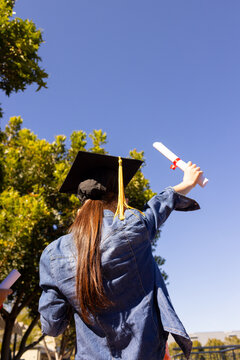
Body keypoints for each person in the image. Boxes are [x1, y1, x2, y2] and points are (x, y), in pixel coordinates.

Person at [39, 151, 202, 360]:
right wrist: (187, 181)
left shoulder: (53, 254)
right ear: (120, 198)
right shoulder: (134, 226)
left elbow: (52, 326)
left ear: (81, 204)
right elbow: (158, 205)